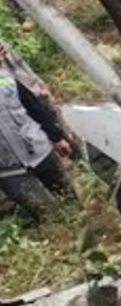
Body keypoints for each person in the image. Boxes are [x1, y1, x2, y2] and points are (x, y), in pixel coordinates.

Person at [0, 53, 73, 219]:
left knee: (71, 201)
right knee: (48, 215)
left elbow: (36, 109)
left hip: (40, 152)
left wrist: (57, 137)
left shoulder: (7, 79)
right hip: (8, 171)